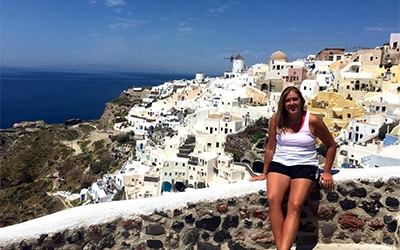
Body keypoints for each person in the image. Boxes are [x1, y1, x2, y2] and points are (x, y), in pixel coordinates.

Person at [250, 86, 336, 250]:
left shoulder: (312, 120)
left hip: (305, 165)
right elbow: (270, 148)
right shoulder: (276, 119)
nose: (291, 103)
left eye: (295, 99)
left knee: (295, 205)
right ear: (283, 103)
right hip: (280, 164)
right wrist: (265, 172)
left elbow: (331, 145)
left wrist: (326, 171)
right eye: (288, 100)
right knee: (273, 200)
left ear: (301, 101)